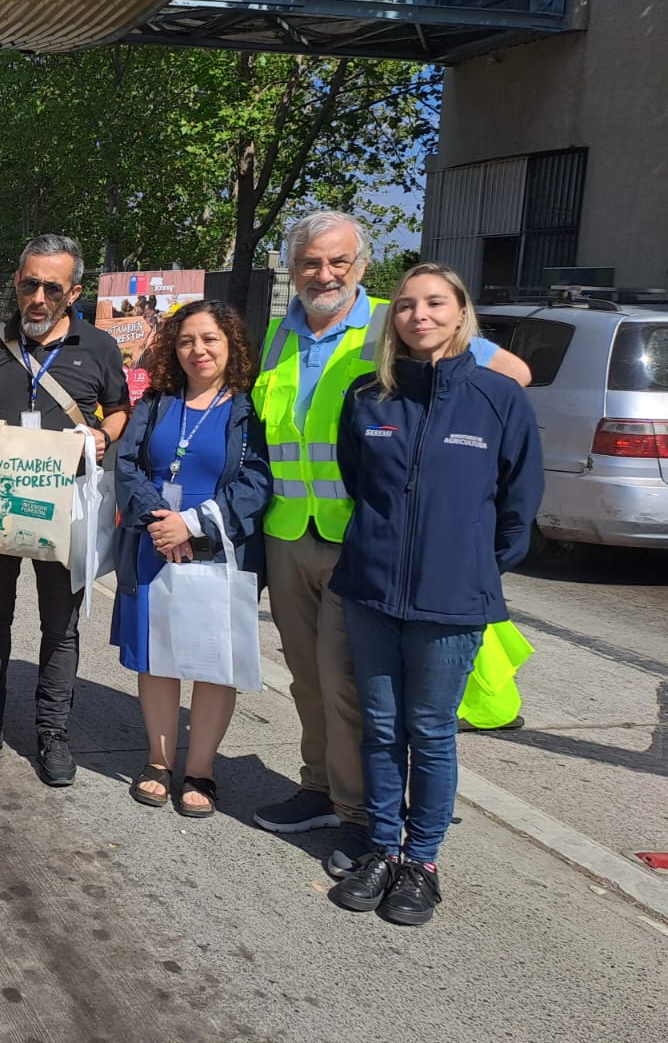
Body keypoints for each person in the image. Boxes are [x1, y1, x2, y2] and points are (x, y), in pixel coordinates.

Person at [250, 211, 529, 861]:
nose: (323, 274)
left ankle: (359, 817)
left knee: (349, 687)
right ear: (293, 270)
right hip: (290, 533)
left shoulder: (397, 319)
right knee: (307, 679)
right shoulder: (274, 337)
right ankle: (319, 788)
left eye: (337, 262)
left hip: (368, 547)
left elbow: (508, 375)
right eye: (310, 263)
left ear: (360, 267)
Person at [329, 263, 542, 925]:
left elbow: (519, 500)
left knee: (432, 730)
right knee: (384, 725)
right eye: (406, 305)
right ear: (393, 320)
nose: (419, 314)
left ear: (460, 313)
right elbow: (356, 479)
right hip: (370, 591)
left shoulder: (497, 398)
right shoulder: (370, 397)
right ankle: (383, 848)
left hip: (452, 601)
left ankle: (423, 862)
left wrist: (475, 564)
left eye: (435, 303)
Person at [0, 234, 129, 786]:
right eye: (30, 283)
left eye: (53, 286)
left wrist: (102, 435)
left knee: (61, 627)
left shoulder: (96, 346)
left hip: (66, 507)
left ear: (73, 291)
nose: (39, 296)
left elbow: (121, 408)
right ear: (17, 284)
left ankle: (53, 733)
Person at [110, 301, 271, 815]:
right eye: (186, 341)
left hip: (219, 549)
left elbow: (257, 481)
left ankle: (200, 769)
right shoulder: (156, 403)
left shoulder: (248, 409)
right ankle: (158, 761)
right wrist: (162, 521)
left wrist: (193, 523)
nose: (197, 350)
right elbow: (129, 465)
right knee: (156, 657)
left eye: (210, 340)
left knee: (212, 661)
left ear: (232, 347)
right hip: (153, 543)